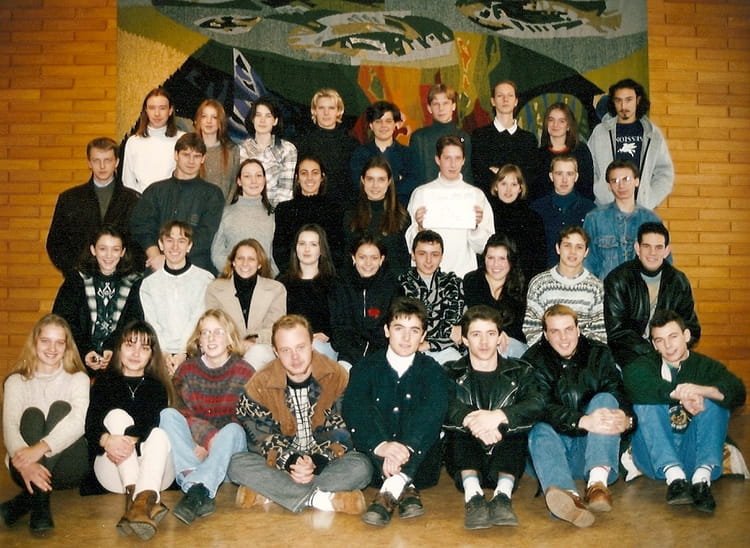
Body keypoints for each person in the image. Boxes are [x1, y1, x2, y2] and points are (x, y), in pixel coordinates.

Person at [228, 314, 372, 515]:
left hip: (325, 461)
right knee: (237, 464)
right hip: (280, 463)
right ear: (275, 351)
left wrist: (316, 462)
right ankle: (319, 498)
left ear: (312, 344)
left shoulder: (336, 375)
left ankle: (275, 492)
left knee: (362, 466)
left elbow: (342, 431)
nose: (294, 357)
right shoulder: (258, 385)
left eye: (300, 347)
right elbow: (261, 438)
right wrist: (291, 461)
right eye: (286, 350)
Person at [623, 310, 746, 514]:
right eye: (660, 340)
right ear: (654, 345)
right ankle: (675, 479)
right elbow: (633, 382)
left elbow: (738, 391)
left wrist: (701, 390)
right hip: (655, 461)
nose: (668, 345)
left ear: (686, 335)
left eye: (673, 337)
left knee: (715, 400)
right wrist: (678, 393)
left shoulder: (705, 366)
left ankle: (701, 481)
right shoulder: (644, 365)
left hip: (695, 454)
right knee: (645, 401)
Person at [524, 305, 634, 528]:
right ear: (545, 334)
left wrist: (627, 419)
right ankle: (568, 496)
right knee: (539, 427)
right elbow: (540, 406)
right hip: (553, 455)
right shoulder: (533, 360)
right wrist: (581, 420)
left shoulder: (599, 353)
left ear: (578, 329)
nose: (563, 338)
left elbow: (620, 394)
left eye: (568, 329)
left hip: (593, 449)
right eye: (555, 331)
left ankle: (597, 485)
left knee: (605, 400)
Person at [343, 297, 449, 527]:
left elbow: (432, 415)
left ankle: (391, 488)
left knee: (431, 422)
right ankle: (407, 488)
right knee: (367, 412)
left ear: (423, 336)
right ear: (386, 330)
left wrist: (405, 448)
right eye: (399, 328)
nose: (406, 337)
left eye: (414, 330)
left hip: (421, 460)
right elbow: (354, 410)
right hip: (376, 458)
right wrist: (381, 445)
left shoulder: (433, 371)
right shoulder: (364, 368)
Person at [443, 306, 545, 529]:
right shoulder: (450, 371)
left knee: (515, 430)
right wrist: (473, 420)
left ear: (500, 337)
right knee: (460, 431)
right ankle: (473, 497)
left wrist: (498, 417)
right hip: (466, 455)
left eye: (490, 333)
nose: (484, 341)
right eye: (476, 334)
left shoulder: (521, 370)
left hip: (505, 452)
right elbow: (442, 403)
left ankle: (502, 497)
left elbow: (536, 403)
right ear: (465, 340)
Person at [159, 309, 254, 526]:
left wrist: (214, 443)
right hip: (194, 453)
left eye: (218, 332)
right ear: (199, 341)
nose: (211, 338)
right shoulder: (187, 369)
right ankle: (199, 488)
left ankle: (196, 488)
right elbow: (180, 410)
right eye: (205, 333)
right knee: (167, 415)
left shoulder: (245, 371)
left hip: (228, 456)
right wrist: (204, 439)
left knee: (233, 430)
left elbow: (248, 420)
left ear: (229, 338)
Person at [82, 320, 175, 540]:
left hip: (155, 474)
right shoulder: (104, 383)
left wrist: (128, 438)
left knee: (159, 434)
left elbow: (149, 424)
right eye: (130, 345)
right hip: (113, 470)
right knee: (116, 416)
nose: (136, 353)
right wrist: (107, 441)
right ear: (119, 348)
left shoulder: (157, 387)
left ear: (152, 355)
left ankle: (137, 504)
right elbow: (90, 426)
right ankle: (143, 502)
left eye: (144, 348)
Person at [0, 314, 89, 535]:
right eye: (45, 341)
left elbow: (79, 423)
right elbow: (9, 426)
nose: (52, 348)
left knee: (61, 409)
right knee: (32, 415)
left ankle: (28, 502)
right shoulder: (16, 381)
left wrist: (39, 449)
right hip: (23, 468)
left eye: (59, 342)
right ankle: (39, 504)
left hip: (69, 466)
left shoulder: (78, 378)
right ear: (35, 342)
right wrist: (25, 462)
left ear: (67, 347)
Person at [604, 222, 700, 367]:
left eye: (658, 247)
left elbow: (691, 327)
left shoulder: (678, 281)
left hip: (671, 353)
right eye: (647, 246)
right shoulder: (617, 279)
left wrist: (673, 348)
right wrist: (653, 352)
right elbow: (617, 332)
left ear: (666, 251)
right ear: (637, 248)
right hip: (630, 356)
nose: (652, 253)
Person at [52, 226, 143, 375]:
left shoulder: (134, 282)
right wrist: (85, 351)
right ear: (93, 250)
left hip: (120, 359)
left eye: (115, 249)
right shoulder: (76, 279)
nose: (109, 255)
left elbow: (134, 321)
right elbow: (63, 319)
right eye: (103, 249)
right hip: (78, 357)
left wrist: (112, 347)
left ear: (123, 252)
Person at [129, 132, 224, 274]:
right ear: (176, 155)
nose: (191, 161)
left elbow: (206, 235)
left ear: (203, 159)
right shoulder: (155, 191)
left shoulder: (213, 194)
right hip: (158, 265)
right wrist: (156, 256)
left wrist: (172, 258)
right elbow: (142, 228)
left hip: (196, 267)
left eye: (196, 156)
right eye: (186, 155)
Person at [47, 137, 142, 275]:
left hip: (122, 277)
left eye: (107, 160)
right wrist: (74, 272)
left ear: (117, 162)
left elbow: (140, 243)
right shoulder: (69, 199)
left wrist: (127, 272)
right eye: (96, 160)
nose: (102, 166)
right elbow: (55, 243)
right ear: (89, 163)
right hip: (80, 276)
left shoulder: (133, 200)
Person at [406, 135, 494, 277]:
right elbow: (409, 244)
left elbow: (485, 247)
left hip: (463, 274)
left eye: (457, 158)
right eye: (447, 158)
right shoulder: (421, 194)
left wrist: (476, 227)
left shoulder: (476, 196)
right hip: (427, 276)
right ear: (437, 160)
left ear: (463, 161)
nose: (453, 164)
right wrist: (419, 228)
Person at [139, 221, 214, 375]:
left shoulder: (205, 279)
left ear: (189, 246)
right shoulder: (149, 284)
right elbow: (152, 322)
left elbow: (197, 318)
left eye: (181, 241)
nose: (175, 247)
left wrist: (183, 353)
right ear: (161, 244)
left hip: (194, 350)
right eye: (169, 241)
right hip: (160, 352)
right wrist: (165, 354)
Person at [589, 78, 674, 208]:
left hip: (640, 210)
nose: (623, 106)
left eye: (628, 100)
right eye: (618, 100)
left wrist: (649, 200)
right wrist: (600, 192)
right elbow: (589, 166)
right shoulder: (600, 132)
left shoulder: (652, 134)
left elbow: (664, 172)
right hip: (606, 209)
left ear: (638, 100)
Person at [205, 238, 286, 371]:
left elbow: (276, 328)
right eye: (240, 258)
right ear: (233, 262)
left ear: (259, 264)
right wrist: (237, 344)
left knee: (257, 352)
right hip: (227, 346)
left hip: (262, 347)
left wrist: (253, 339)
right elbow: (213, 325)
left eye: (251, 259)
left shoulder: (276, 289)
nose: (245, 263)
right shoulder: (215, 288)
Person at [523, 226, 606, 346]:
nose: (573, 252)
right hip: (547, 353)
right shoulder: (539, 284)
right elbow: (531, 329)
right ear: (558, 248)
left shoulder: (596, 287)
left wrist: (575, 352)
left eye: (579, 247)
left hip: (584, 354)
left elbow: (600, 333)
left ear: (586, 252)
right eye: (567, 245)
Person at [583, 159, 663, 279]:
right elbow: (588, 262)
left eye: (626, 179)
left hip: (641, 289)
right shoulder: (594, 219)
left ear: (637, 181)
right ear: (609, 186)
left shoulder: (651, 220)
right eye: (615, 181)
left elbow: (662, 262)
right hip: (606, 288)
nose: (621, 185)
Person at [328, 235, 399, 369]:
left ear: (381, 259)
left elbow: (393, 327)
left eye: (374, 258)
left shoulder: (392, 287)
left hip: (382, 354)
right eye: (362, 257)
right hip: (348, 354)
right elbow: (338, 326)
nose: (368, 263)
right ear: (353, 258)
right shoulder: (340, 285)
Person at [398, 230, 464, 364]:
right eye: (422, 254)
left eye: (434, 254)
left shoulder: (454, 283)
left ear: (441, 257)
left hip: (446, 350)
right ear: (413, 255)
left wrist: (430, 344)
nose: (428, 260)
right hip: (410, 348)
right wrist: (446, 330)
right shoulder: (401, 284)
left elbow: (460, 331)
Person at [272, 154, 344, 272]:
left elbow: (338, 250)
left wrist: (319, 274)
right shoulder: (284, 210)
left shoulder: (334, 209)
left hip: (326, 276)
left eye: (315, 173)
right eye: (304, 173)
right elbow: (280, 251)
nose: (309, 178)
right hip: (293, 276)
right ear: (297, 178)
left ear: (322, 177)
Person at [343, 156, 411, 280]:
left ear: (389, 182)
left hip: (391, 285)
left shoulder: (402, 216)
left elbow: (403, 261)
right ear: (362, 180)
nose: (375, 185)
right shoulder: (350, 216)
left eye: (381, 180)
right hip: (358, 285)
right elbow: (346, 260)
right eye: (370, 179)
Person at [277, 224, 338, 360]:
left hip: (322, 345)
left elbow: (341, 320)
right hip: (290, 344)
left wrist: (328, 334)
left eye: (313, 244)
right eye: (302, 243)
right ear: (295, 248)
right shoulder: (282, 282)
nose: (307, 249)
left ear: (322, 250)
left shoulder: (334, 283)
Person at [210, 159, 277, 276]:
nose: (254, 181)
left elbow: (275, 256)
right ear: (239, 181)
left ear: (264, 180)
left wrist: (266, 278)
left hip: (265, 281)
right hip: (231, 279)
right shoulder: (225, 213)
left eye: (258, 176)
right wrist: (236, 274)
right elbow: (217, 252)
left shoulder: (273, 215)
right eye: (247, 176)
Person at [471, 80, 539, 194]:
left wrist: (499, 173)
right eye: (500, 95)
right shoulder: (479, 136)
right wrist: (515, 174)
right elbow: (479, 175)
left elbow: (530, 178)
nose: (505, 99)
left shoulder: (529, 140)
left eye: (510, 95)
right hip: (488, 201)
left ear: (516, 101)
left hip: (521, 203)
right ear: (493, 101)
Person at [463, 233, 527, 348]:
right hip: (479, 341)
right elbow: (474, 318)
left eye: (502, 258)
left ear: (511, 260)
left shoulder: (519, 284)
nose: (496, 264)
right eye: (491, 258)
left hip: (511, 343)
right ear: (484, 259)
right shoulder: (472, 280)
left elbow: (517, 327)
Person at [531, 155, 596, 268]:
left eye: (569, 174)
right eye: (559, 174)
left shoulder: (590, 209)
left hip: (581, 271)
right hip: (545, 272)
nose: (564, 180)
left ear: (576, 177)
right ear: (551, 176)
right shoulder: (536, 209)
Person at [294, 88, 359, 202]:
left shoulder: (352, 144)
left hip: (343, 206)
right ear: (314, 111)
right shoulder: (302, 143)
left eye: (331, 108)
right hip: (311, 204)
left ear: (339, 111)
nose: (326, 113)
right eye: (321, 108)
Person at [350, 100, 417, 206]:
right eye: (378, 121)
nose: (383, 125)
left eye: (388, 121)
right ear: (371, 125)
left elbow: (412, 182)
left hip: (400, 208)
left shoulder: (407, 154)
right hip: (367, 208)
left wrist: (378, 188)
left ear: (396, 124)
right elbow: (358, 183)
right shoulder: (359, 153)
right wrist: (397, 179)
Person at [486, 164, 547, 282]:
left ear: (520, 188)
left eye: (513, 184)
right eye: (503, 184)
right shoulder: (488, 215)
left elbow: (539, 261)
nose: (508, 190)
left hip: (523, 283)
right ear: (496, 186)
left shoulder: (533, 218)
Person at [122, 87, 185, 194]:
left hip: (173, 200)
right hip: (142, 200)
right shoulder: (133, 142)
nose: (157, 113)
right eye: (152, 108)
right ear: (146, 111)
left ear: (170, 110)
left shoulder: (182, 139)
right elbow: (128, 182)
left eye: (162, 108)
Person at [409, 83, 473, 185]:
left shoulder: (463, 137)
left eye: (445, 103)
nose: (441, 108)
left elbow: (467, 175)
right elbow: (414, 176)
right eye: (436, 104)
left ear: (453, 106)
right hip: (426, 193)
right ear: (429, 108)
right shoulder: (419, 138)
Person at [239, 97, 297, 207]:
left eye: (268, 116)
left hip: (277, 211)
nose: (262, 120)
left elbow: (285, 191)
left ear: (275, 121)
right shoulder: (241, 149)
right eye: (258, 115)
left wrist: (271, 212)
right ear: (252, 119)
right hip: (248, 208)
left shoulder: (288, 149)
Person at [532, 102, 594, 202]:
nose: (555, 125)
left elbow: (587, 188)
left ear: (568, 126)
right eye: (551, 120)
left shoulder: (581, 151)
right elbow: (535, 192)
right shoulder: (538, 155)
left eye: (561, 121)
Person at [193, 98, 240, 204]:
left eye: (214, 117)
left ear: (220, 122)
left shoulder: (232, 150)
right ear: (198, 120)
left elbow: (233, 185)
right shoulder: (191, 150)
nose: (209, 121)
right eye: (204, 116)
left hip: (224, 211)